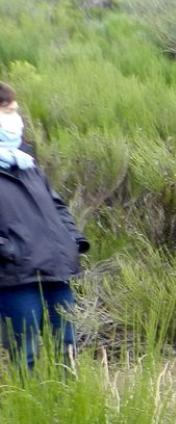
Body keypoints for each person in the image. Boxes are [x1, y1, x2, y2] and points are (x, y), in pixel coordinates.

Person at [0, 81, 88, 366]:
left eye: (15, 111)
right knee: (25, 355)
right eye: (7, 110)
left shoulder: (27, 164)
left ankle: (67, 406)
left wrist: (72, 240)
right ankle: (29, 409)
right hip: (16, 278)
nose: (15, 119)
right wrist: (9, 251)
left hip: (55, 270)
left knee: (67, 349)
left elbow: (57, 206)